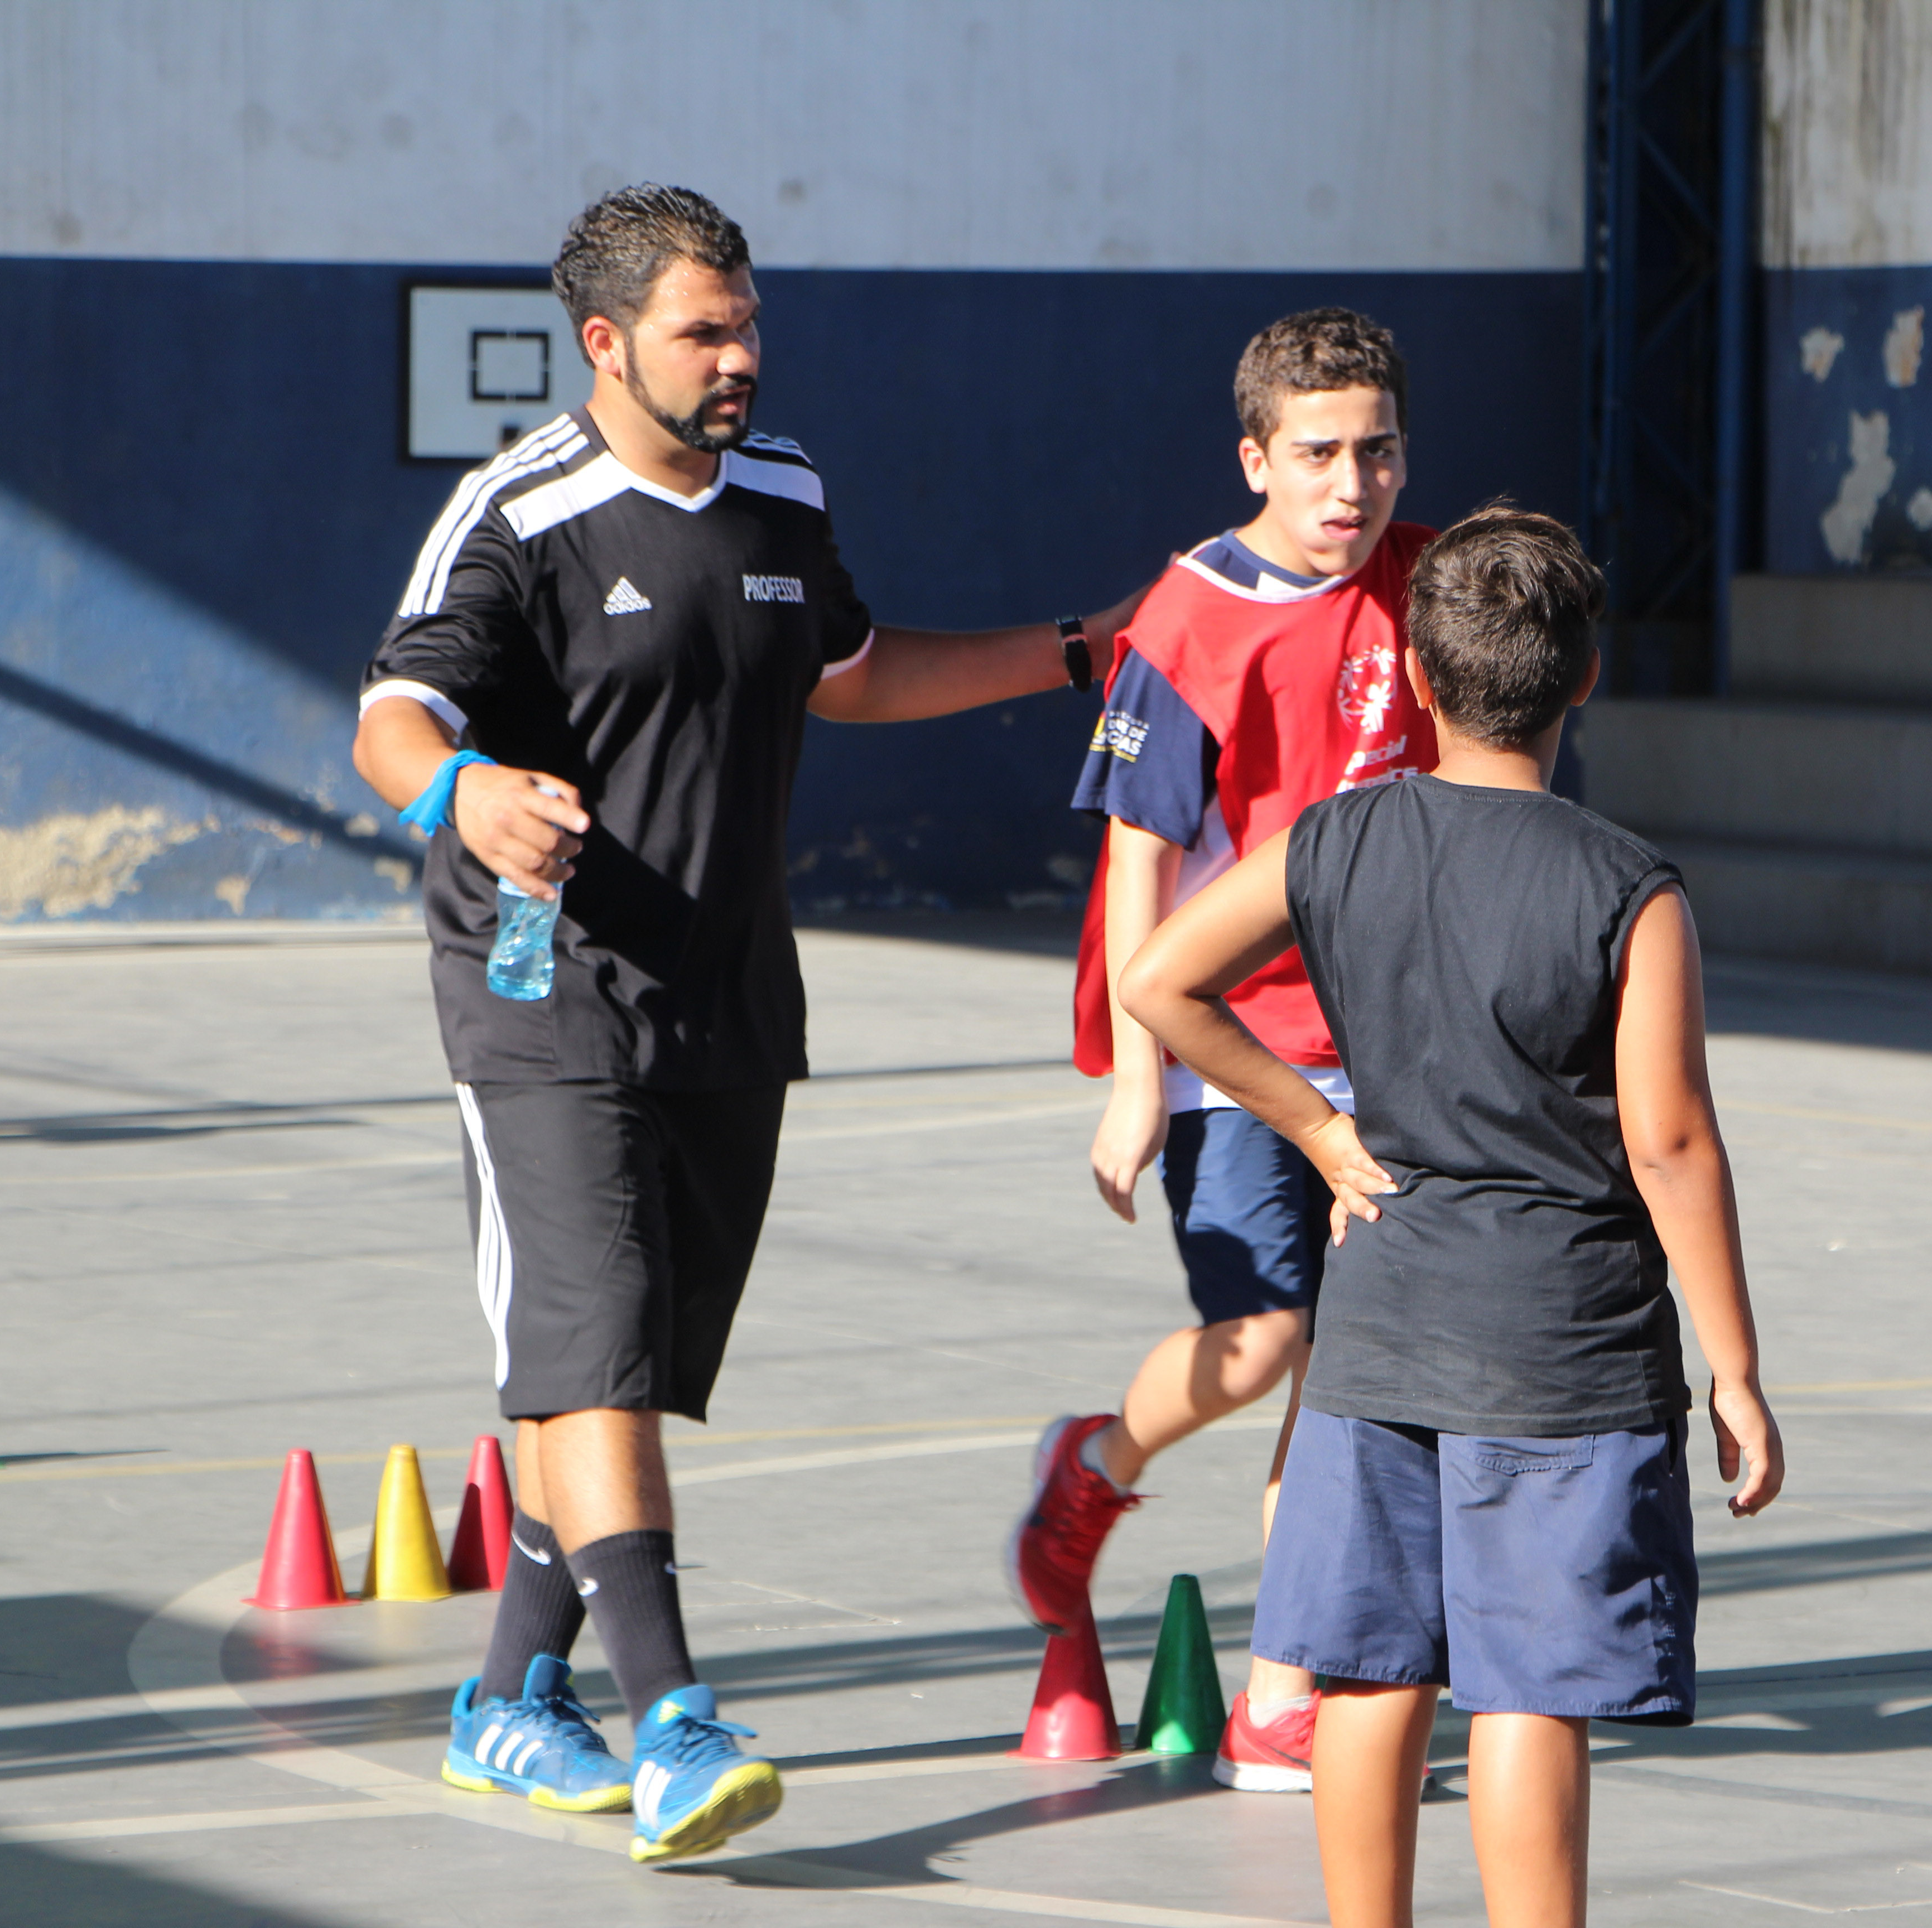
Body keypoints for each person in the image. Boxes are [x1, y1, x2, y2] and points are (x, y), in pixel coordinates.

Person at [351, 183, 1144, 1866]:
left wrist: (1082, 652)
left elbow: (847, 672)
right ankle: (676, 1725)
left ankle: (505, 1701)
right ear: (605, 342)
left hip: (727, 1000)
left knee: (620, 1370)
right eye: (704, 331)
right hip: (541, 992)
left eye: (750, 324)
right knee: (597, 1357)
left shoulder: (783, 489)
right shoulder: (521, 511)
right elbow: (393, 717)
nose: (742, 357)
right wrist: (466, 795)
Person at [1117, 505, 1785, 1928]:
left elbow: (1161, 979)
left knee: (1370, 1674)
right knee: (1532, 1692)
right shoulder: (1627, 889)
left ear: (1417, 676)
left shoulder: (1336, 838)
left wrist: (1317, 1129)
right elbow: (1669, 1142)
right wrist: (1734, 1365)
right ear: (1586, 676)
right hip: (1564, 1347)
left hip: (1379, 1334)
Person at [1004, 309, 1434, 1793]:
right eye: (1317, 454)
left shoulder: (1428, 580)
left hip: (1386, 1043)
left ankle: (1284, 1687)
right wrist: (1140, 1079)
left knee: (1346, 1367)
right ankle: (1097, 1461)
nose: (1351, 484)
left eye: (1378, 450)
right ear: (1256, 459)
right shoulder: (1192, 616)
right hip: (1228, 1045)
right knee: (1260, 1342)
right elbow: (1138, 855)